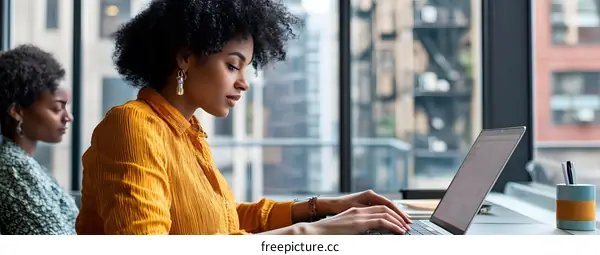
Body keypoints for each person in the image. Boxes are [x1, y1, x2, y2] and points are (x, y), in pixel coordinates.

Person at [76, 0, 412, 235]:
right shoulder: (132, 127)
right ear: (185, 59)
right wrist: (313, 234)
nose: (243, 82)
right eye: (233, 64)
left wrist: (323, 207)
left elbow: (223, 220)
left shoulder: (187, 132)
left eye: (246, 67)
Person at [0, 44, 78, 235]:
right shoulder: (13, 171)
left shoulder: (26, 165)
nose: (68, 117)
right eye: (57, 108)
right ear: (17, 111)